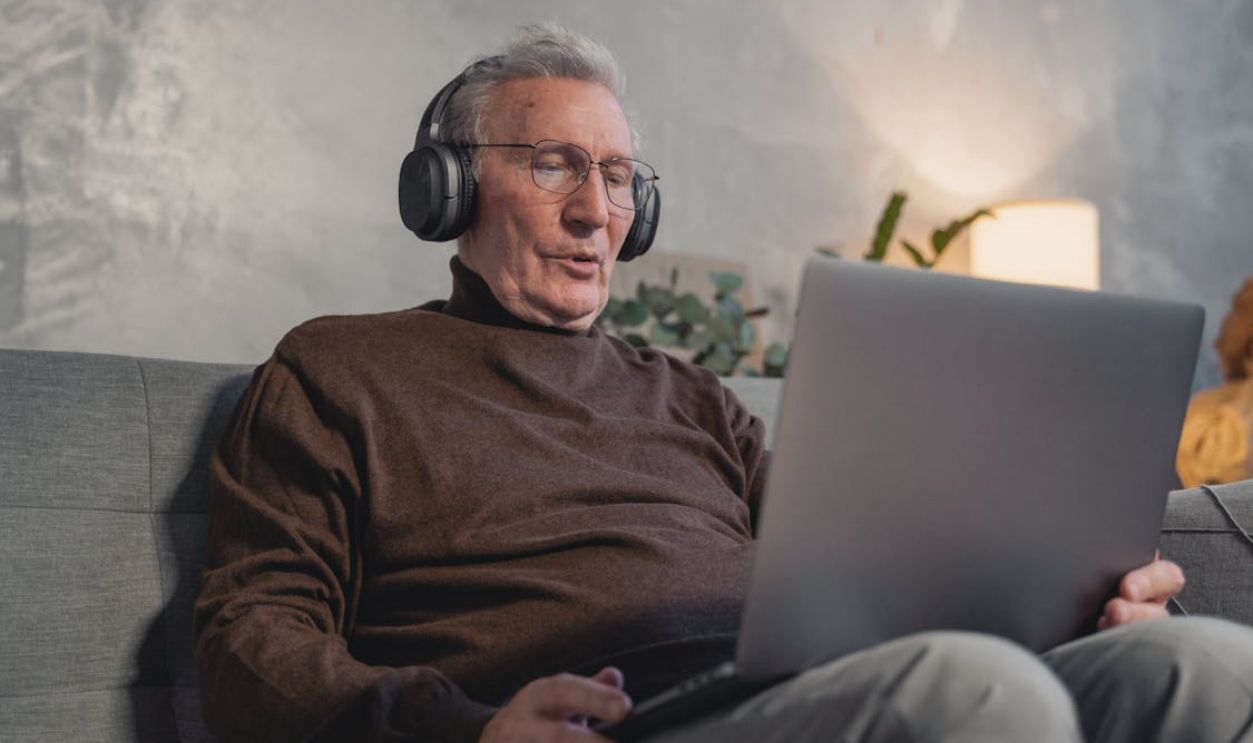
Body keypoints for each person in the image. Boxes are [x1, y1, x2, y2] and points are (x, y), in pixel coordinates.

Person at [194, 24, 1253, 743]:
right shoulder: (338, 368)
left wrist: (1075, 608)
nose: (595, 210)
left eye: (618, 178)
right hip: (618, 724)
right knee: (978, 693)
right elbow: (254, 640)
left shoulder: (693, 396)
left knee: (1202, 663)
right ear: (450, 190)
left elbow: (866, 584)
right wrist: (470, 725)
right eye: (554, 163)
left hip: (789, 696)